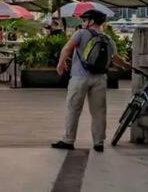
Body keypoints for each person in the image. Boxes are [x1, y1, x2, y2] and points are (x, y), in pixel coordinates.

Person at [51, 9, 129, 152]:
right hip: (100, 79)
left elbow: (67, 48)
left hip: (80, 78)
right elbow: (115, 59)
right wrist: (127, 66)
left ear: (91, 21)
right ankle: (98, 143)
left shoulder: (80, 33)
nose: (83, 22)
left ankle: (68, 140)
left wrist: (61, 63)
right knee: (99, 112)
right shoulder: (108, 38)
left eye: (85, 20)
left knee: (73, 109)